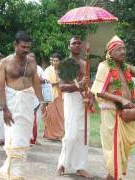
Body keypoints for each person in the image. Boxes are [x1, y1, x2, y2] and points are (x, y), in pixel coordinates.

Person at [91, 35, 135, 180]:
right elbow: (98, 90)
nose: (123, 52)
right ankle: (115, 177)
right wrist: (120, 99)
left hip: (126, 114)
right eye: (119, 49)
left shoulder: (126, 67)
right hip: (111, 113)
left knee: (122, 150)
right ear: (110, 52)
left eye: (124, 49)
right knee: (114, 148)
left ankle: (111, 176)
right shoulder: (104, 66)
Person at [0, 31, 45, 179]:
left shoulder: (31, 61)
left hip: (27, 104)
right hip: (11, 105)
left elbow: (36, 82)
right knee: (14, 139)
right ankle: (15, 175)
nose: (26, 50)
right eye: (23, 46)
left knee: (23, 139)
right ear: (15, 45)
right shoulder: (5, 62)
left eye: (28, 47)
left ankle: (11, 172)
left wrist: (42, 101)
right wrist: (4, 109)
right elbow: (0, 86)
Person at [56, 36, 93, 179]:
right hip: (72, 100)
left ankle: (80, 167)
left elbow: (91, 86)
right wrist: (78, 84)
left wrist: (91, 97)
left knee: (84, 134)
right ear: (69, 46)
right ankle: (62, 164)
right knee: (71, 135)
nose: (77, 45)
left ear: (82, 46)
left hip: (84, 100)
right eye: (73, 43)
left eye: (79, 43)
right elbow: (62, 86)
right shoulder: (65, 64)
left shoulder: (86, 63)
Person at [43, 52, 64, 140]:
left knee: (61, 115)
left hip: (61, 95)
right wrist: (57, 83)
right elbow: (46, 83)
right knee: (51, 115)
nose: (55, 62)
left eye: (57, 60)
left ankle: (59, 134)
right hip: (51, 95)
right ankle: (50, 135)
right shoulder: (48, 70)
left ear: (60, 61)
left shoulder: (63, 70)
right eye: (54, 60)